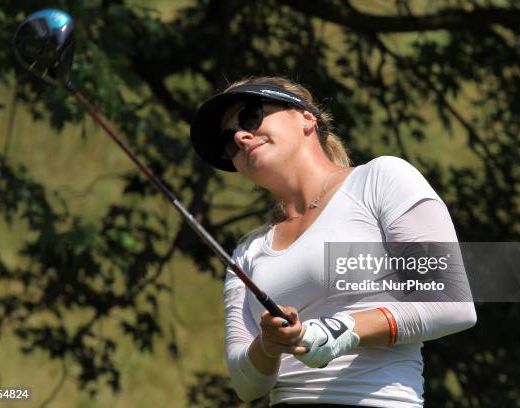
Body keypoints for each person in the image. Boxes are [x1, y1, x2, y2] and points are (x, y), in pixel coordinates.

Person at [190, 76, 477, 407]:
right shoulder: (247, 252)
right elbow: (247, 386)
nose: (240, 136)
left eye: (251, 116)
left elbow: (452, 303)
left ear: (306, 118)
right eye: (228, 141)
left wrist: (339, 331)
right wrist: (268, 345)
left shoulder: (381, 180)